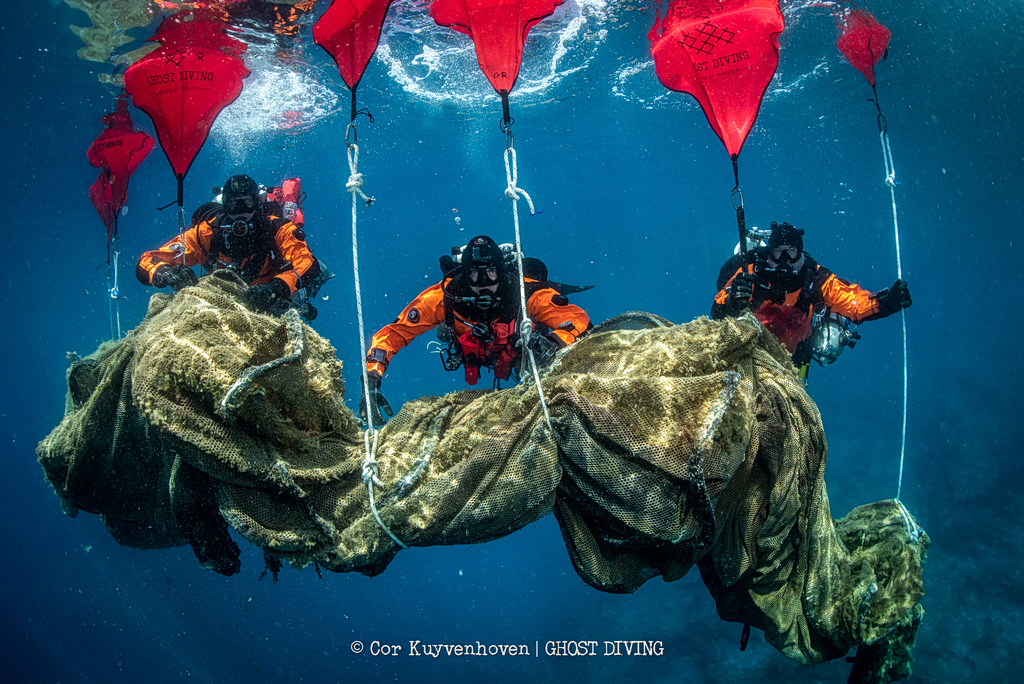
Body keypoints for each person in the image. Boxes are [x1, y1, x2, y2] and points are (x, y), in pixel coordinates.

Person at [360, 235, 593, 426]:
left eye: (491, 272)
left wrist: (554, 343)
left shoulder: (525, 292)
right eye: (474, 274)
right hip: (471, 349)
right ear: (464, 273)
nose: (483, 282)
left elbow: (577, 320)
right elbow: (394, 334)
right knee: (445, 329)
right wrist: (372, 376)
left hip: (516, 352)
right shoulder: (444, 297)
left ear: (502, 271)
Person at [711, 221, 912, 370]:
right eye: (778, 253)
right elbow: (717, 310)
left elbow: (854, 302)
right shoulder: (752, 271)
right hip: (746, 353)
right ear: (768, 255)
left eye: (791, 252)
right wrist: (732, 301)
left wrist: (887, 302)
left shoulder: (816, 279)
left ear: (801, 253)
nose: (785, 260)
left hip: (790, 361)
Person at [136, 174, 326, 319]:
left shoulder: (278, 229)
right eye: (234, 205)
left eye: (247, 203)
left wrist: (275, 288)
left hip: (272, 296)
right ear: (225, 205)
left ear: (257, 204)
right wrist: (164, 273)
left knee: (296, 300)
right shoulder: (207, 233)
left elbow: (308, 265)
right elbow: (147, 261)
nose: (241, 212)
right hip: (225, 304)